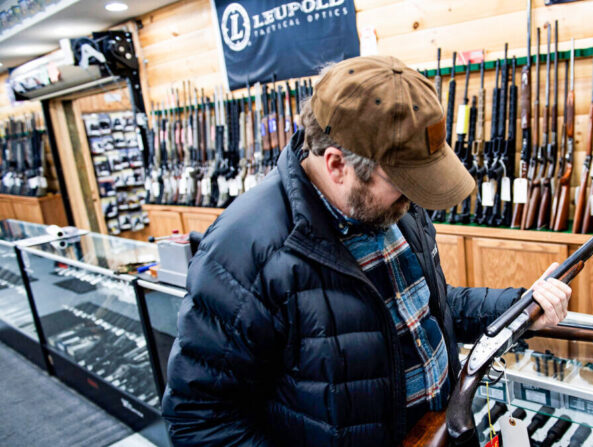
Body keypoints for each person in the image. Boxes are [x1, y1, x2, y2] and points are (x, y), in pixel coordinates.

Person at [161, 55, 571, 446]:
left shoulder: (392, 207)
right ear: (337, 165)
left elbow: (433, 306)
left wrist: (521, 307)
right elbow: (199, 418)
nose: (413, 199)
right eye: (403, 182)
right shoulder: (244, 253)